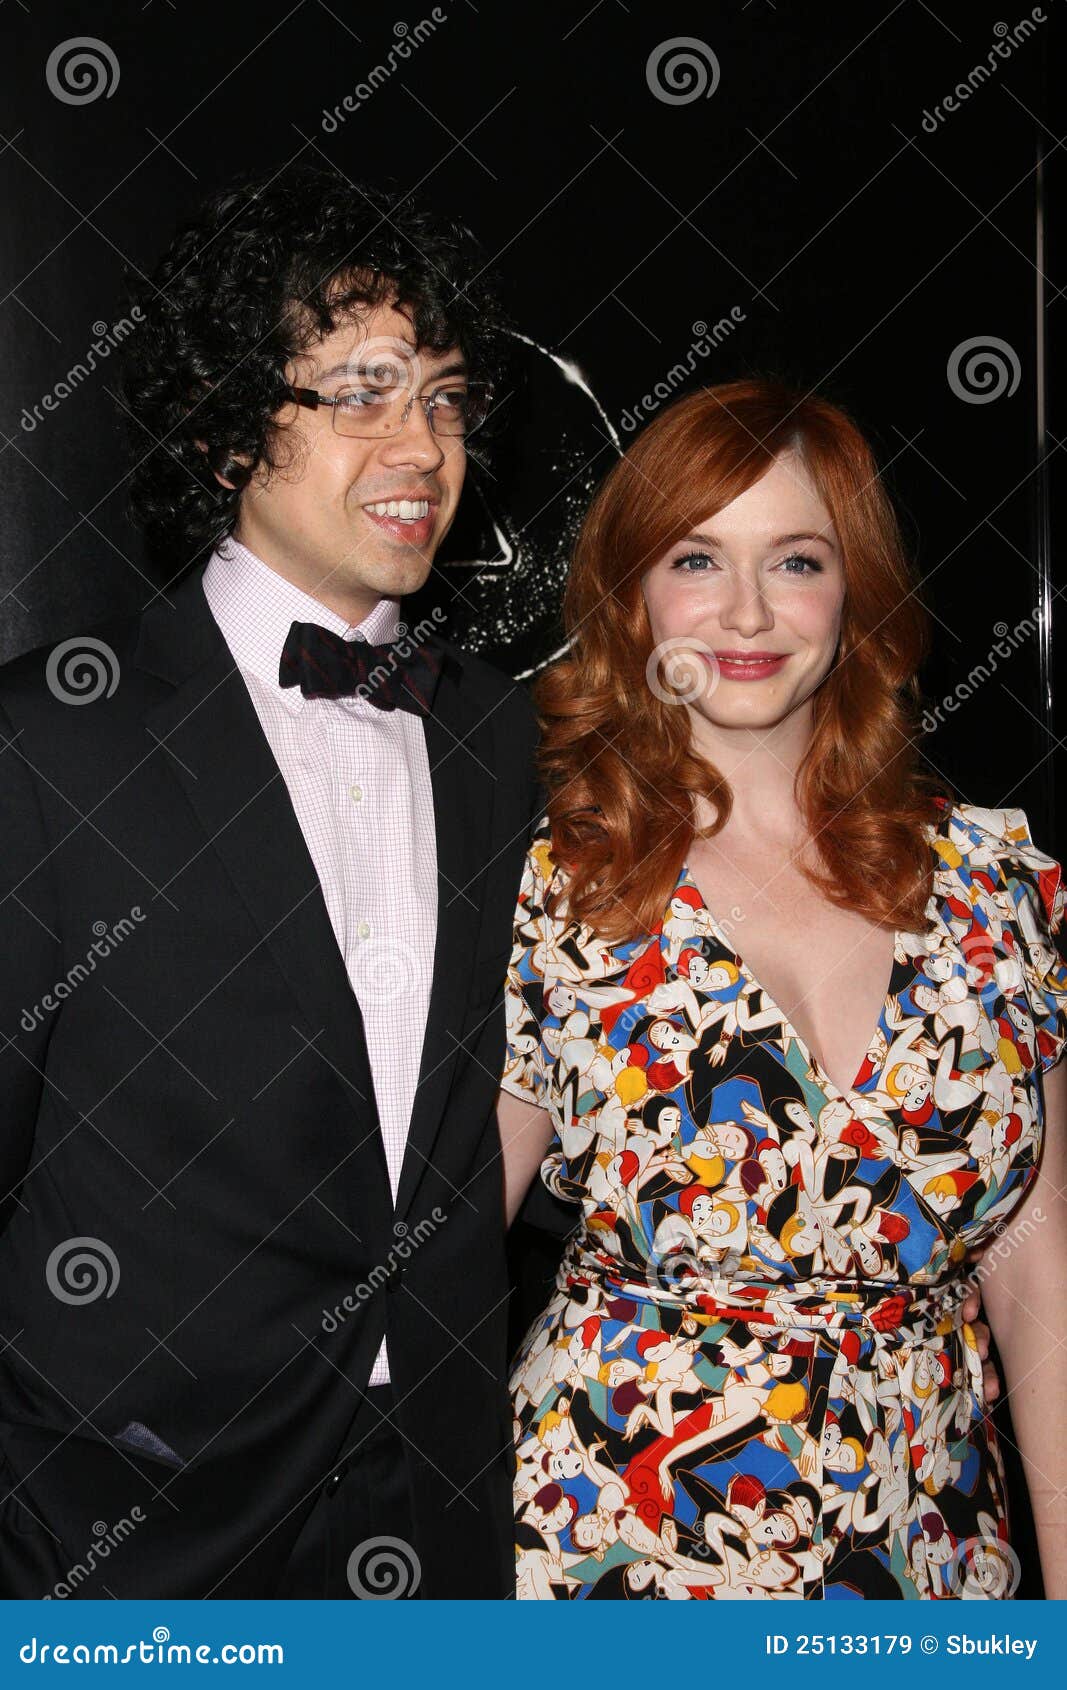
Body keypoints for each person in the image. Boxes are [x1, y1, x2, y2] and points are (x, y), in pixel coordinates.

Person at [0, 164, 539, 1598]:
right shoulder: (56, 732)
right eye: (358, 393)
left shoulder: (494, 733)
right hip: (120, 1525)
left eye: (442, 394)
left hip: (433, 1496)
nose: (419, 442)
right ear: (224, 417)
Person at [497, 378, 1067, 1599]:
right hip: (610, 1548)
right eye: (696, 556)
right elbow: (433, 1257)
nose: (746, 610)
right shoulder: (550, 889)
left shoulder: (997, 885)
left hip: (929, 1551)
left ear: (853, 589)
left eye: (796, 560)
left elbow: (1037, 1274)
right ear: (631, 592)